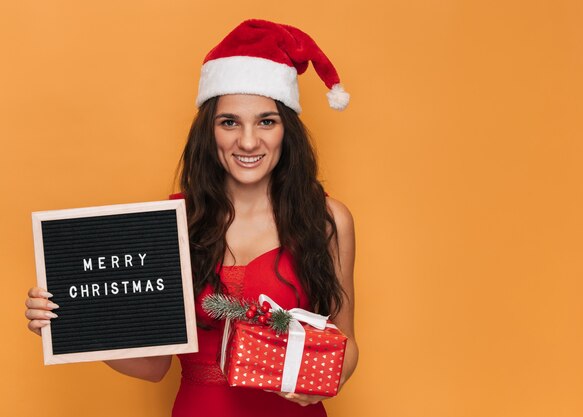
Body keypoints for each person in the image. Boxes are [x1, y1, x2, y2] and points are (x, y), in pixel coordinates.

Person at [25, 19, 357, 417]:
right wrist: (71, 324)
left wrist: (330, 377)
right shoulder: (172, 222)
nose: (248, 141)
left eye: (266, 121)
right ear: (209, 131)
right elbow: (153, 366)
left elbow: (347, 340)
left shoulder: (327, 219)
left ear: (287, 131)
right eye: (229, 121)